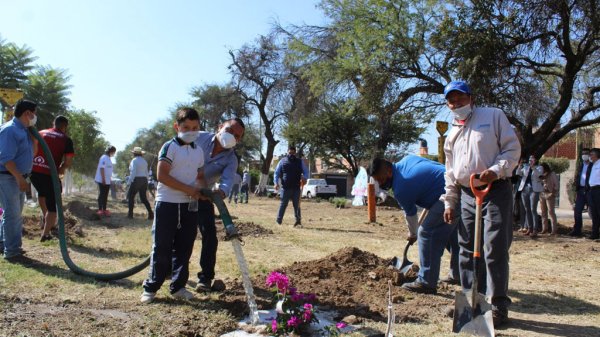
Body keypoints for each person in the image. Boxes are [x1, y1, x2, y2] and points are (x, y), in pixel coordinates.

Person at [442, 81, 520, 326]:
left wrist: (495, 171)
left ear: (470, 98)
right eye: (451, 100)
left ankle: (498, 305)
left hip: (494, 190)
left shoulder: (493, 116)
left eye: (460, 98)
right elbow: (450, 173)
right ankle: (470, 300)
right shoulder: (451, 133)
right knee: (464, 248)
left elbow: (512, 149)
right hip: (466, 194)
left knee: (494, 247)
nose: (456, 103)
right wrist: (449, 202)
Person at [140, 108, 206, 304]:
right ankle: (151, 287)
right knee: (162, 247)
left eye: (195, 128)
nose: (190, 131)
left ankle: (178, 287)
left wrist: (201, 190)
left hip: (189, 206)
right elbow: (162, 175)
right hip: (167, 204)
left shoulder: (198, 151)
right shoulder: (170, 147)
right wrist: (189, 189)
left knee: (185, 248)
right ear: (177, 127)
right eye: (186, 127)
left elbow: (200, 177)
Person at [369, 156, 460, 294]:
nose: (381, 184)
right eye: (378, 181)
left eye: (381, 180)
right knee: (450, 235)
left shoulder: (401, 186)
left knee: (426, 233)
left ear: (388, 171)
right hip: (457, 186)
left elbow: (410, 214)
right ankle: (458, 274)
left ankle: (426, 282)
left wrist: (413, 234)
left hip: (449, 194)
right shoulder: (406, 161)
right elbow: (434, 166)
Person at [193, 118, 245, 292]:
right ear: (220, 127)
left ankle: (205, 279)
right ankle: (168, 269)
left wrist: (220, 193)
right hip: (178, 191)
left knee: (210, 237)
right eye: (230, 130)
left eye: (237, 136)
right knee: (175, 233)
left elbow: (227, 181)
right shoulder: (197, 137)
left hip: (204, 196)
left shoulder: (231, 159)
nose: (232, 137)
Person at [0, 99, 38, 260]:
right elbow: (6, 159)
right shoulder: (10, 130)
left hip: (18, 177)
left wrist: (34, 137)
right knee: (12, 214)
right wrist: (18, 178)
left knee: (14, 214)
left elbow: (33, 154)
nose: (35, 117)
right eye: (34, 114)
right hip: (9, 177)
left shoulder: (24, 130)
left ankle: (5, 244)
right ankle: (12, 252)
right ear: (27, 113)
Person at [30, 115, 75, 242]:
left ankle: (46, 219)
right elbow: (68, 161)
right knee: (53, 205)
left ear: (53, 123)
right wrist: (62, 168)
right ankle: (45, 234)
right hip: (49, 174)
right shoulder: (66, 139)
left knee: (42, 193)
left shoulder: (40, 133)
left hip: (33, 171)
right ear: (64, 126)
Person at [274, 146, 308, 227]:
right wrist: (275, 183)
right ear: (287, 152)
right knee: (283, 204)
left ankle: (298, 222)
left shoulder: (300, 161)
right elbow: (276, 173)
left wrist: (305, 178)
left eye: (293, 153)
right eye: (290, 153)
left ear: (295, 153)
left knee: (297, 205)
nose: (291, 154)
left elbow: (306, 171)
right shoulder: (282, 161)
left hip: (296, 187)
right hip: (286, 187)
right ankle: (278, 221)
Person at [517, 155, 544, 237]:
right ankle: (529, 228)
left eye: (532, 158)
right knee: (527, 209)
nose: (530, 160)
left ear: (536, 160)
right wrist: (519, 166)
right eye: (529, 159)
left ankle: (535, 229)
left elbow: (538, 175)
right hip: (524, 189)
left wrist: (533, 168)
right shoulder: (526, 167)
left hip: (534, 190)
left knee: (533, 209)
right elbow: (518, 173)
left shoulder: (539, 168)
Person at [127, 147, 154, 220]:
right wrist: (147, 181)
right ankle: (151, 214)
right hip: (144, 180)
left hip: (136, 179)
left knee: (130, 197)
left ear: (134, 153)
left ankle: (130, 215)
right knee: (143, 198)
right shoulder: (144, 161)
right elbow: (146, 173)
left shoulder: (134, 161)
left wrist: (129, 181)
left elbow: (133, 172)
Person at [571, 148, 591, 237]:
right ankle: (577, 230)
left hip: (590, 190)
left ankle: (595, 230)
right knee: (577, 210)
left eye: (586, 153)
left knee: (594, 211)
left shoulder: (593, 165)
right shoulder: (581, 165)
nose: (584, 155)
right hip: (580, 190)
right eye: (583, 153)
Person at [94, 146, 116, 216]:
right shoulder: (103, 157)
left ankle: (104, 209)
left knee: (106, 195)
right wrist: (103, 179)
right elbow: (102, 169)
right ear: (111, 151)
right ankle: (100, 209)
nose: (114, 154)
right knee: (102, 194)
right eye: (114, 152)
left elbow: (108, 170)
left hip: (107, 180)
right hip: (102, 180)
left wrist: (109, 179)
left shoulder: (109, 158)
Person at [539, 163, 559, 235]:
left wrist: (552, 193)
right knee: (543, 212)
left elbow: (556, 184)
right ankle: (544, 228)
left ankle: (554, 229)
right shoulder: (540, 175)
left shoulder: (552, 174)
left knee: (551, 212)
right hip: (542, 194)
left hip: (549, 193)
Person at [586, 148, 600, 240]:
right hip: (591, 190)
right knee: (593, 213)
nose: (590, 156)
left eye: (592, 154)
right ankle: (594, 233)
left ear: (597, 155)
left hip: (598, 190)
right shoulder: (592, 165)